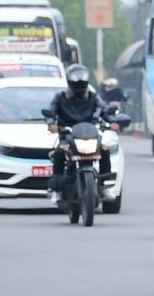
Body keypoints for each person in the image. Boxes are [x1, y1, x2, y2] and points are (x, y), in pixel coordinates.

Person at [45, 64, 108, 202]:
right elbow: (51, 112)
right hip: (67, 135)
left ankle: (104, 185)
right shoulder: (60, 97)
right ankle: (57, 189)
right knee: (59, 153)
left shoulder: (93, 96)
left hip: (89, 134)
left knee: (104, 149)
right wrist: (51, 123)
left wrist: (113, 121)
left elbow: (105, 110)